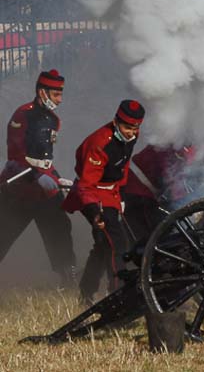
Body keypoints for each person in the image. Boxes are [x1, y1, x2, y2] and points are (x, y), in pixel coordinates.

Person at [0, 69, 76, 286]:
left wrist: (56, 177)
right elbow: (15, 154)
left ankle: (67, 275)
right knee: (3, 234)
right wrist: (37, 176)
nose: (59, 100)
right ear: (42, 92)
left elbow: (45, 158)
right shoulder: (23, 115)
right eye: (55, 95)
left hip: (45, 189)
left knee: (60, 229)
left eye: (60, 94)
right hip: (19, 188)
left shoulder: (54, 120)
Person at [63, 100, 144, 303]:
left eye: (135, 128)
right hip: (94, 195)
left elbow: (122, 166)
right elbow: (86, 185)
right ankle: (118, 293)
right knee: (118, 244)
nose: (131, 133)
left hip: (112, 193)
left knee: (102, 246)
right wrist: (93, 212)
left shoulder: (132, 135)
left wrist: (121, 195)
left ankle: (86, 293)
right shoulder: (99, 144)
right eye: (127, 127)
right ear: (116, 121)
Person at [122, 144, 194, 241]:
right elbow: (172, 182)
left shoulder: (175, 144)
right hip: (136, 189)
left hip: (141, 188)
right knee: (149, 236)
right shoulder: (172, 148)